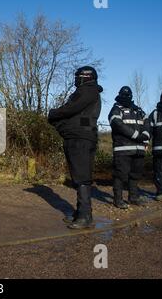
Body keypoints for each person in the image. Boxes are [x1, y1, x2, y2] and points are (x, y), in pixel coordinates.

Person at [48, 66, 103, 229]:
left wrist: (54, 114)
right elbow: (76, 114)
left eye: (77, 76)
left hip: (81, 139)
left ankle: (85, 216)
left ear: (84, 76)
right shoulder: (89, 91)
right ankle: (81, 212)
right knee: (79, 175)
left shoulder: (88, 91)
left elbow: (71, 109)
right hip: (79, 137)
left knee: (82, 176)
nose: (75, 79)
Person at [108, 86, 150, 209]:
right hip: (123, 149)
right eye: (124, 94)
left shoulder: (139, 110)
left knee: (135, 174)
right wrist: (136, 135)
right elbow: (117, 124)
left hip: (139, 149)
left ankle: (133, 197)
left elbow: (147, 123)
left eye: (128, 95)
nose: (126, 97)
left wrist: (146, 137)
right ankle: (118, 200)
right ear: (119, 94)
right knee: (120, 175)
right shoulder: (116, 109)